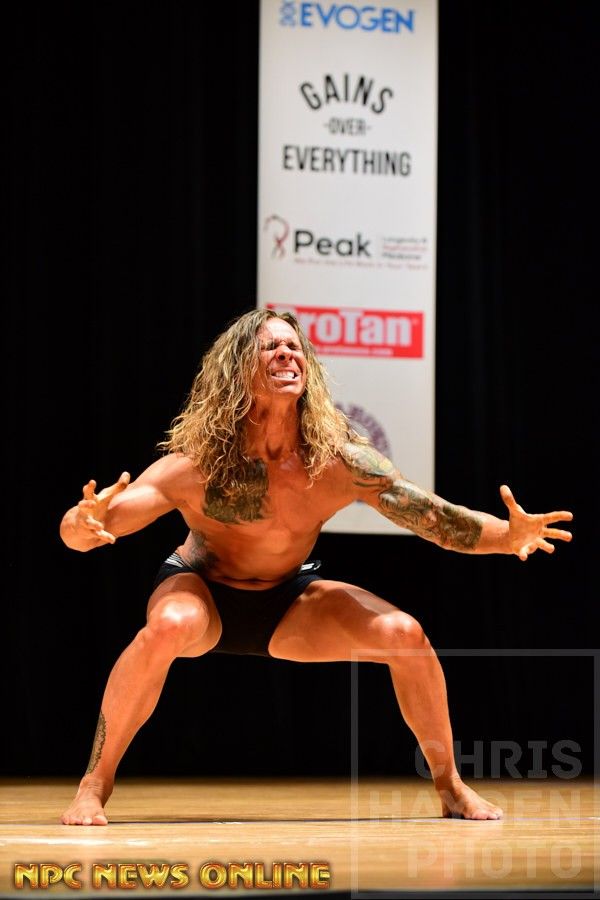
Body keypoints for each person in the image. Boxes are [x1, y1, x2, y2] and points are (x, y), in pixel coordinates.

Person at [59, 308, 573, 825]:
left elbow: (435, 519)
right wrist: (79, 526)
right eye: (270, 347)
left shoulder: (338, 463)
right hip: (202, 589)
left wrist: (508, 536)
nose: (287, 353)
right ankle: (94, 785)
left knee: (404, 635)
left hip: (287, 600)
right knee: (171, 625)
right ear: (237, 370)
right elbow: (94, 527)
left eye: (294, 346)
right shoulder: (198, 465)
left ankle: (451, 786)